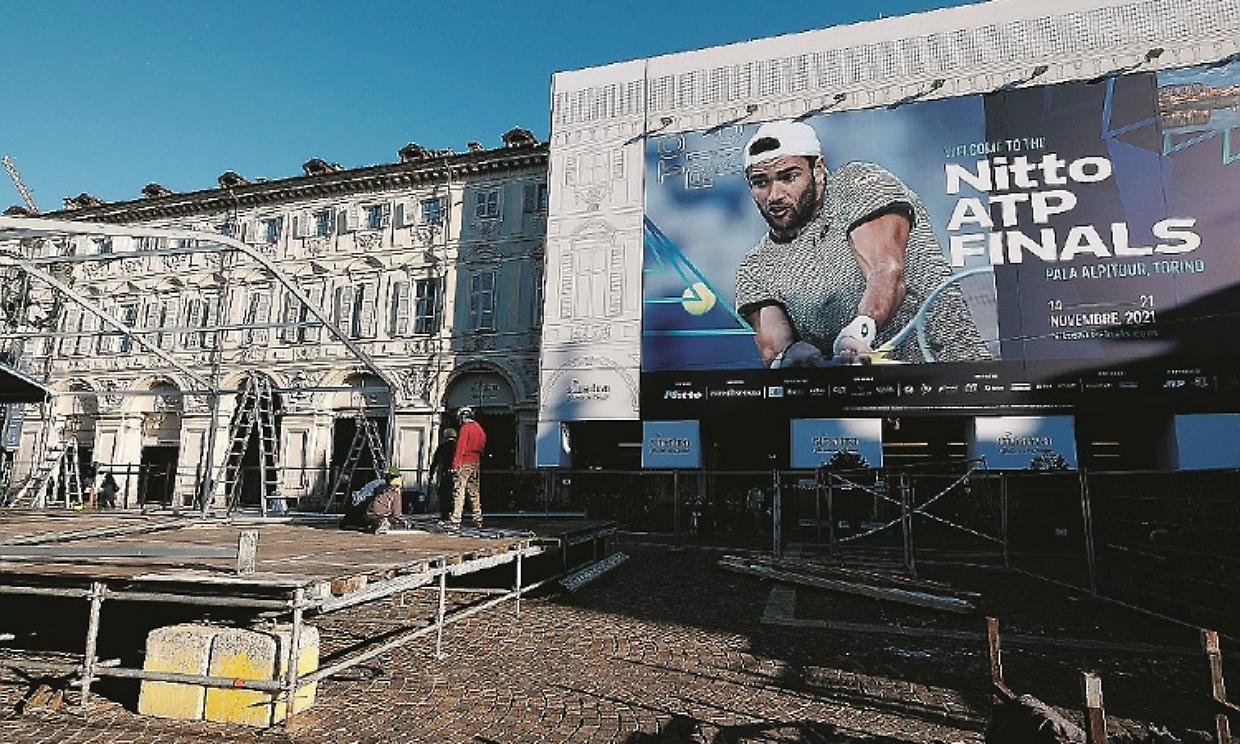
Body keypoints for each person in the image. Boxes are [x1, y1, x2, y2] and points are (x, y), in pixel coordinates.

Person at [734, 119, 988, 366]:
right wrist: (790, 357)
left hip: (955, 376)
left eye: (789, 177)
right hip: (862, 401)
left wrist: (858, 333)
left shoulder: (857, 184)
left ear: (819, 169)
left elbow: (886, 270)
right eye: (761, 183)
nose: (775, 195)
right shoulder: (754, 268)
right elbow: (774, 346)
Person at [448, 407, 486, 528]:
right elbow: (483, 444)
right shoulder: (479, 428)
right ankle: (478, 517)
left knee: (459, 490)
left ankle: (456, 518)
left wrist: (455, 464)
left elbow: (461, 447)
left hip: (465, 461)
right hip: (476, 462)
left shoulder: (465, 428)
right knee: (474, 492)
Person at [430, 427, 458, 522]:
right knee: (456, 494)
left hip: (445, 473)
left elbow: (435, 462)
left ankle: (445, 515)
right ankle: (456, 513)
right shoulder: (458, 446)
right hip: (457, 472)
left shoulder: (442, 447)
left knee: (444, 494)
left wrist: (431, 474)